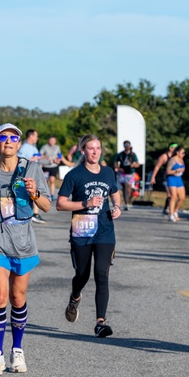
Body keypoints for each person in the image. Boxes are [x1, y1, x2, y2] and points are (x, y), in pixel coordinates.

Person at [0, 123, 52, 376]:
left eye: (14, 137)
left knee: (17, 297)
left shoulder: (32, 168)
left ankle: (17, 350)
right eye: (3, 137)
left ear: (19, 143)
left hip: (23, 241)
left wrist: (34, 193)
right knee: (0, 295)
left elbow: (47, 206)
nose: (9, 141)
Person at [56, 134, 123, 337]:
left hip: (104, 231)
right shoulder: (74, 175)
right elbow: (60, 204)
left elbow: (115, 192)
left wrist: (117, 207)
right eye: (91, 148)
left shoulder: (108, 172)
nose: (95, 152)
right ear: (83, 151)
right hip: (82, 230)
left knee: (102, 274)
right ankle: (75, 296)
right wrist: (85, 204)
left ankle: (100, 323)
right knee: (82, 275)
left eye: (98, 148)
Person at [149, 143, 178, 216]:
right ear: (170, 148)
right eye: (175, 148)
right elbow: (157, 167)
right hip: (166, 177)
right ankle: (166, 209)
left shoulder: (177, 157)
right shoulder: (164, 156)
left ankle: (170, 209)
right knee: (169, 194)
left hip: (174, 177)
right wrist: (153, 177)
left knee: (174, 195)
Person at [115, 140, 141, 210]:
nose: (126, 147)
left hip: (130, 173)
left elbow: (138, 164)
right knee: (124, 187)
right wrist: (118, 168)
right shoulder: (120, 154)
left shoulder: (133, 155)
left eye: (128, 145)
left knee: (128, 188)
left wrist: (133, 165)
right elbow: (115, 163)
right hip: (123, 173)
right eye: (125, 145)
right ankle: (126, 202)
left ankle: (128, 200)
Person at [165, 145, 187, 222]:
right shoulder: (172, 160)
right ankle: (171, 215)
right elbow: (167, 171)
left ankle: (175, 210)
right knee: (173, 196)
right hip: (172, 179)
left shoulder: (181, 160)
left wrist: (181, 170)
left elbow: (183, 169)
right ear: (177, 153)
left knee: (182, 197)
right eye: (182, 152)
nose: (184, 154)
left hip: (179, 179)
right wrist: (175, 171)